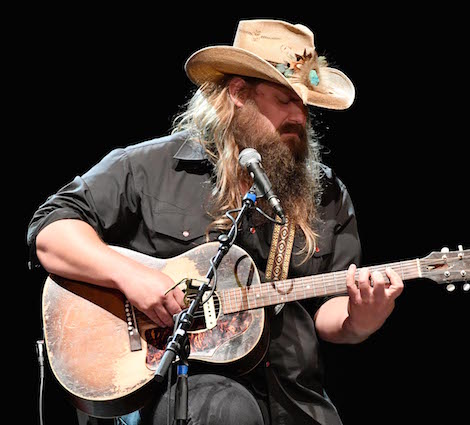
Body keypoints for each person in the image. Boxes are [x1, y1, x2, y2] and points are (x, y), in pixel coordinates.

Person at [28, 19, 404, 425]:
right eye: (284, 99)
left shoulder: (325, 193)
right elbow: (51, 231)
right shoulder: (152, 167)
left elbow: (327, 310)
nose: (299, 116)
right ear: (239, 93)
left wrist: (360, 319)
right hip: (174, 386)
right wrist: (133, 278)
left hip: (290, 395)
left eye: (305, 104)